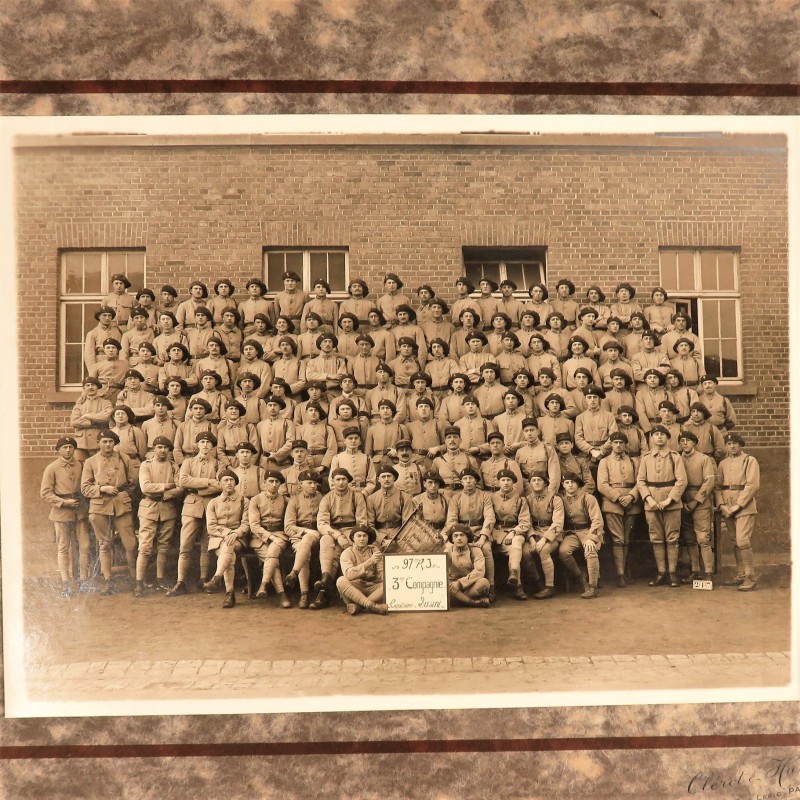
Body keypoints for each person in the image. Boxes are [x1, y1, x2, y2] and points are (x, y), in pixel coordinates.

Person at [80, 429, 137, 595]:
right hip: (99, 506)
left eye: (110, 442)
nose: (107, 445)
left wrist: (122, 494)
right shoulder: (90, 462)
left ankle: (135, 579)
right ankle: (108, 580)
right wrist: (102, 488)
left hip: (121, 504)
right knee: (104, 544)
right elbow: (84, 487)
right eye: (104, 441)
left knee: (130, 544)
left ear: (115, 443)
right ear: (99, 443)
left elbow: (133, 482)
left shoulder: (124, 458)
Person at [168, 431, 222, 596]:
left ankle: (203, 580)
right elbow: (183, 481)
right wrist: (208, 482)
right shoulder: (188, 462)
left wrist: (198, 485)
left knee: (207, 545)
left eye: (208, 443)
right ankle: (181, 582)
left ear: (213, 446)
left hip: (212, 507)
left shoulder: (218, 464)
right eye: (202, 442)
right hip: (191, 505)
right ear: (197, 445)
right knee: (185, 545)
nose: (205, 446)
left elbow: (221, 485)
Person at [636, 424, 689, 588]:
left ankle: (672, 573)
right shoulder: (645, 458)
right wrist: (649, 499)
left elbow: (682, 480)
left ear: (667, 438)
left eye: (662, 434)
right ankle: (661, 572)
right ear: (651, 438)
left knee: (672, 537)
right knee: (656, 538)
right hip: (651, 504)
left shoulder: (675, 457)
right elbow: (640, 481)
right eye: (655, 434)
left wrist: (669, 499)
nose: (659, 437)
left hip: (671, 504)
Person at [40, 436, 91, 596]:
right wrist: (63, 502)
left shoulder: (81, 465)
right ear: (58, 450)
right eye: (64, 447)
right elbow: (45, 493)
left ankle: (83, 580)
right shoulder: (52, 468)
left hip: (80, 509)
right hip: (62, 511)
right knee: (63, 547)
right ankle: (65, 581)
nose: (68, 450)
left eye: (70, 447)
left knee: (85, 545)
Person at [317, 467, 369, 609]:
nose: (340, 482)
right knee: (325, 540)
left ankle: (327, 591)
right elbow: (322, 524)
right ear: (332, 482)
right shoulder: (327, 498)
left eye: (343, 479)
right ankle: (325, 577)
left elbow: (362, 522)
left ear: (348, 481)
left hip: (352, 531)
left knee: (346, 550)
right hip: (333, 531)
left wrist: (351, 536)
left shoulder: (357, 496)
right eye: (337, 479)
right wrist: (337, 535)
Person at [715, 432, 760, 591]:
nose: (732, 446)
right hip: (727, 506)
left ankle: (750, 577)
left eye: (735, 443)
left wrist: (738, 505)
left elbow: (752, 485)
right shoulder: (723, 464)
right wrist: (721, 505)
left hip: (744, 506)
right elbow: (717, 487)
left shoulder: (749, 460)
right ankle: (740, 574)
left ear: (741, 445)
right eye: (728, 444)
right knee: (735, 541)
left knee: (742, 541)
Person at [597, 432, 643, 587]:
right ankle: (620, 575)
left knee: (627, 538)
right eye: (615, 442)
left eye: (621, 443)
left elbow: (640, 481)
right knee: (618, 539)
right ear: (611, 444)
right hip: (613, 503)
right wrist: (618, 497)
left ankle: (625, 571)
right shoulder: (604, 462)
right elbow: (602, 485)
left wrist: (630, 496)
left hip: (631, 503)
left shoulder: (634, 461)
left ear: (625, 445)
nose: (618, 445)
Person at [444, 467, 496, 600]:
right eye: (465, 479)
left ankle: (491, 585)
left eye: (471, 479)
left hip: (479, 531)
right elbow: (451, 521)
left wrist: (483, 538)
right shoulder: (456, 498)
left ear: (476, 481)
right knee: (447, 550)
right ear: (461, 482)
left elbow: (489, 518)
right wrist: (456, 535)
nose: (468, 482)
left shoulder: (485, 496)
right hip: (461, 533)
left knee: (485, 548)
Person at [201, 469, 250, 608]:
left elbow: (246, 524)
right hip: (217, 539)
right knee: (229, 555)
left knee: (228, 547)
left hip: (238, 538)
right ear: (220, 484)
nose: (229, 483)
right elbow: (211, 527)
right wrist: (228, 533)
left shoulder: (243, 501)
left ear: (235, 483)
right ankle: (229, 594)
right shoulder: (213, 502)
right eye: (225, 480)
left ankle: (217, 578)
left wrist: (236, 534)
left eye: (231, 480)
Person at [678, 430, 717, 586]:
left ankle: (708, 573)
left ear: (694, 443)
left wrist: (695, 501)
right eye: (682, 441)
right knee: (689, 539)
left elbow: (709, 482)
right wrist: (681, 502)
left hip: (700, 502)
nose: (685, 443)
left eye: (688, 440)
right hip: (682, 501)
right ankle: (695, 572)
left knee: (702, 538)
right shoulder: (677, 458)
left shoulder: (704, 459)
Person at [558, 471, 604, 599]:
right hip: (572, 533)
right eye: (567, 483)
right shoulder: (561, 499)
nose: (570, 485)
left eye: (573, 482)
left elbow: (597, 521)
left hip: (589, 530)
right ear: (563, 485)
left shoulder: (588, 498)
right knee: (563, 552)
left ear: (578, 484)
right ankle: (581, 576)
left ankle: (593, 586)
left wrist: (591, 538)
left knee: (590, 550)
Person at [490, 469, 531, 600]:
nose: (506, 483)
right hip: (496, 532)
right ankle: (516, 586)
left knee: (516, 543)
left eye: (509, 480)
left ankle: (514, 576)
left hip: (514, 530)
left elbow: (525, 522)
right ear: (498, 482)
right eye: (503, 480)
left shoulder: (520, 499)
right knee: (514, 550)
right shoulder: (492, 497)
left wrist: (513, 532)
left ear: (513, 483)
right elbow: (489, 519)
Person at [525, 471, 565, 599]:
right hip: (534, 532)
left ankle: (549, 587)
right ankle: (538, 584)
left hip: (552, 533)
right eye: (533, 480)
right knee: (525, 553)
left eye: (539, 480)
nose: (536, 482)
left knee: (544, 550)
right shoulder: (527, 500)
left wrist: (543, 540)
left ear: (545, 483)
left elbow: (558, 523)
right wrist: (531, 540)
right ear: (530, 483)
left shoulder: (555, 499)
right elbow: (527, 522)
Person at [336, 525, 389, 615]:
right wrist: (370, 562)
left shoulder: (374, 551)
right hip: (355, 589)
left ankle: (358, 607)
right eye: (359, 536)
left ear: (368, 538)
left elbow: (382, 573)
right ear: (353, 537)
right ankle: (372, 606)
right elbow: (349, 575)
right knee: (341, 581)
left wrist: (383, 575)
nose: (362, 539)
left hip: (372, 588)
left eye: (365, 536)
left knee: (388, 584)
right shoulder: (347, 553)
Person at [366, 464, 415, 547]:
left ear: (394, 478)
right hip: (377, 537)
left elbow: (408, 523)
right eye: (383, 477)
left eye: (389, 476)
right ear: (378, 479)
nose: (386, 479)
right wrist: (381, 539)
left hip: (400, 537)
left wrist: (396, 540)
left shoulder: (405, 497)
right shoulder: (371, 499)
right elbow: (370, 525)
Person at [445, 525, 490, 608]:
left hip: (469, 586)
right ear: (452, 539)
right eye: (456, 536)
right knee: (444, 586)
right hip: (452, 586)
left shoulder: (475, 550)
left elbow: (479, 571)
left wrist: (460, 583)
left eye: (462, 535)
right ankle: (471, 602)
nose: (459, 538)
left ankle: (459, 600)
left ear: (467, 538)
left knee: (484, 583)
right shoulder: (447, 551)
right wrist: (452, 583)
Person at [70, 377, 113, 461]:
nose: (90, 387)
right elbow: (74, 422)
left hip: (98, 440)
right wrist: (90, 422)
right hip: (81, 442)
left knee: (99, 465)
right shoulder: (80, 404)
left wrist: (88, 416)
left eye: (93, 385)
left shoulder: (105, 403)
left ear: (97, 387)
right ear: (84, 388)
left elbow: (107, 416)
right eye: (87, 385)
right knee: (81, 466)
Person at [85, 307, 124, 374]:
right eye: (104, 315)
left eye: (109, 315)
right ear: (99, 317)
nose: (107, 318)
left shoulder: (118, 331)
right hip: (100, 364)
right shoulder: (93, 333)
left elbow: (122, 350)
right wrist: (92, 371)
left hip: (116, 364)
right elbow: (89, 355)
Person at [413, 472, 449, 542]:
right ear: (424, 484)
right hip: (423, 534)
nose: (433, 485)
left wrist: (443, 535)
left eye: (436, 483)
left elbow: (450, 520)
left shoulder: (447, 500)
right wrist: (428, 535)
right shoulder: (417, 500)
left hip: (443, 533)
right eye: (430, 482)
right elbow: (416, 522)